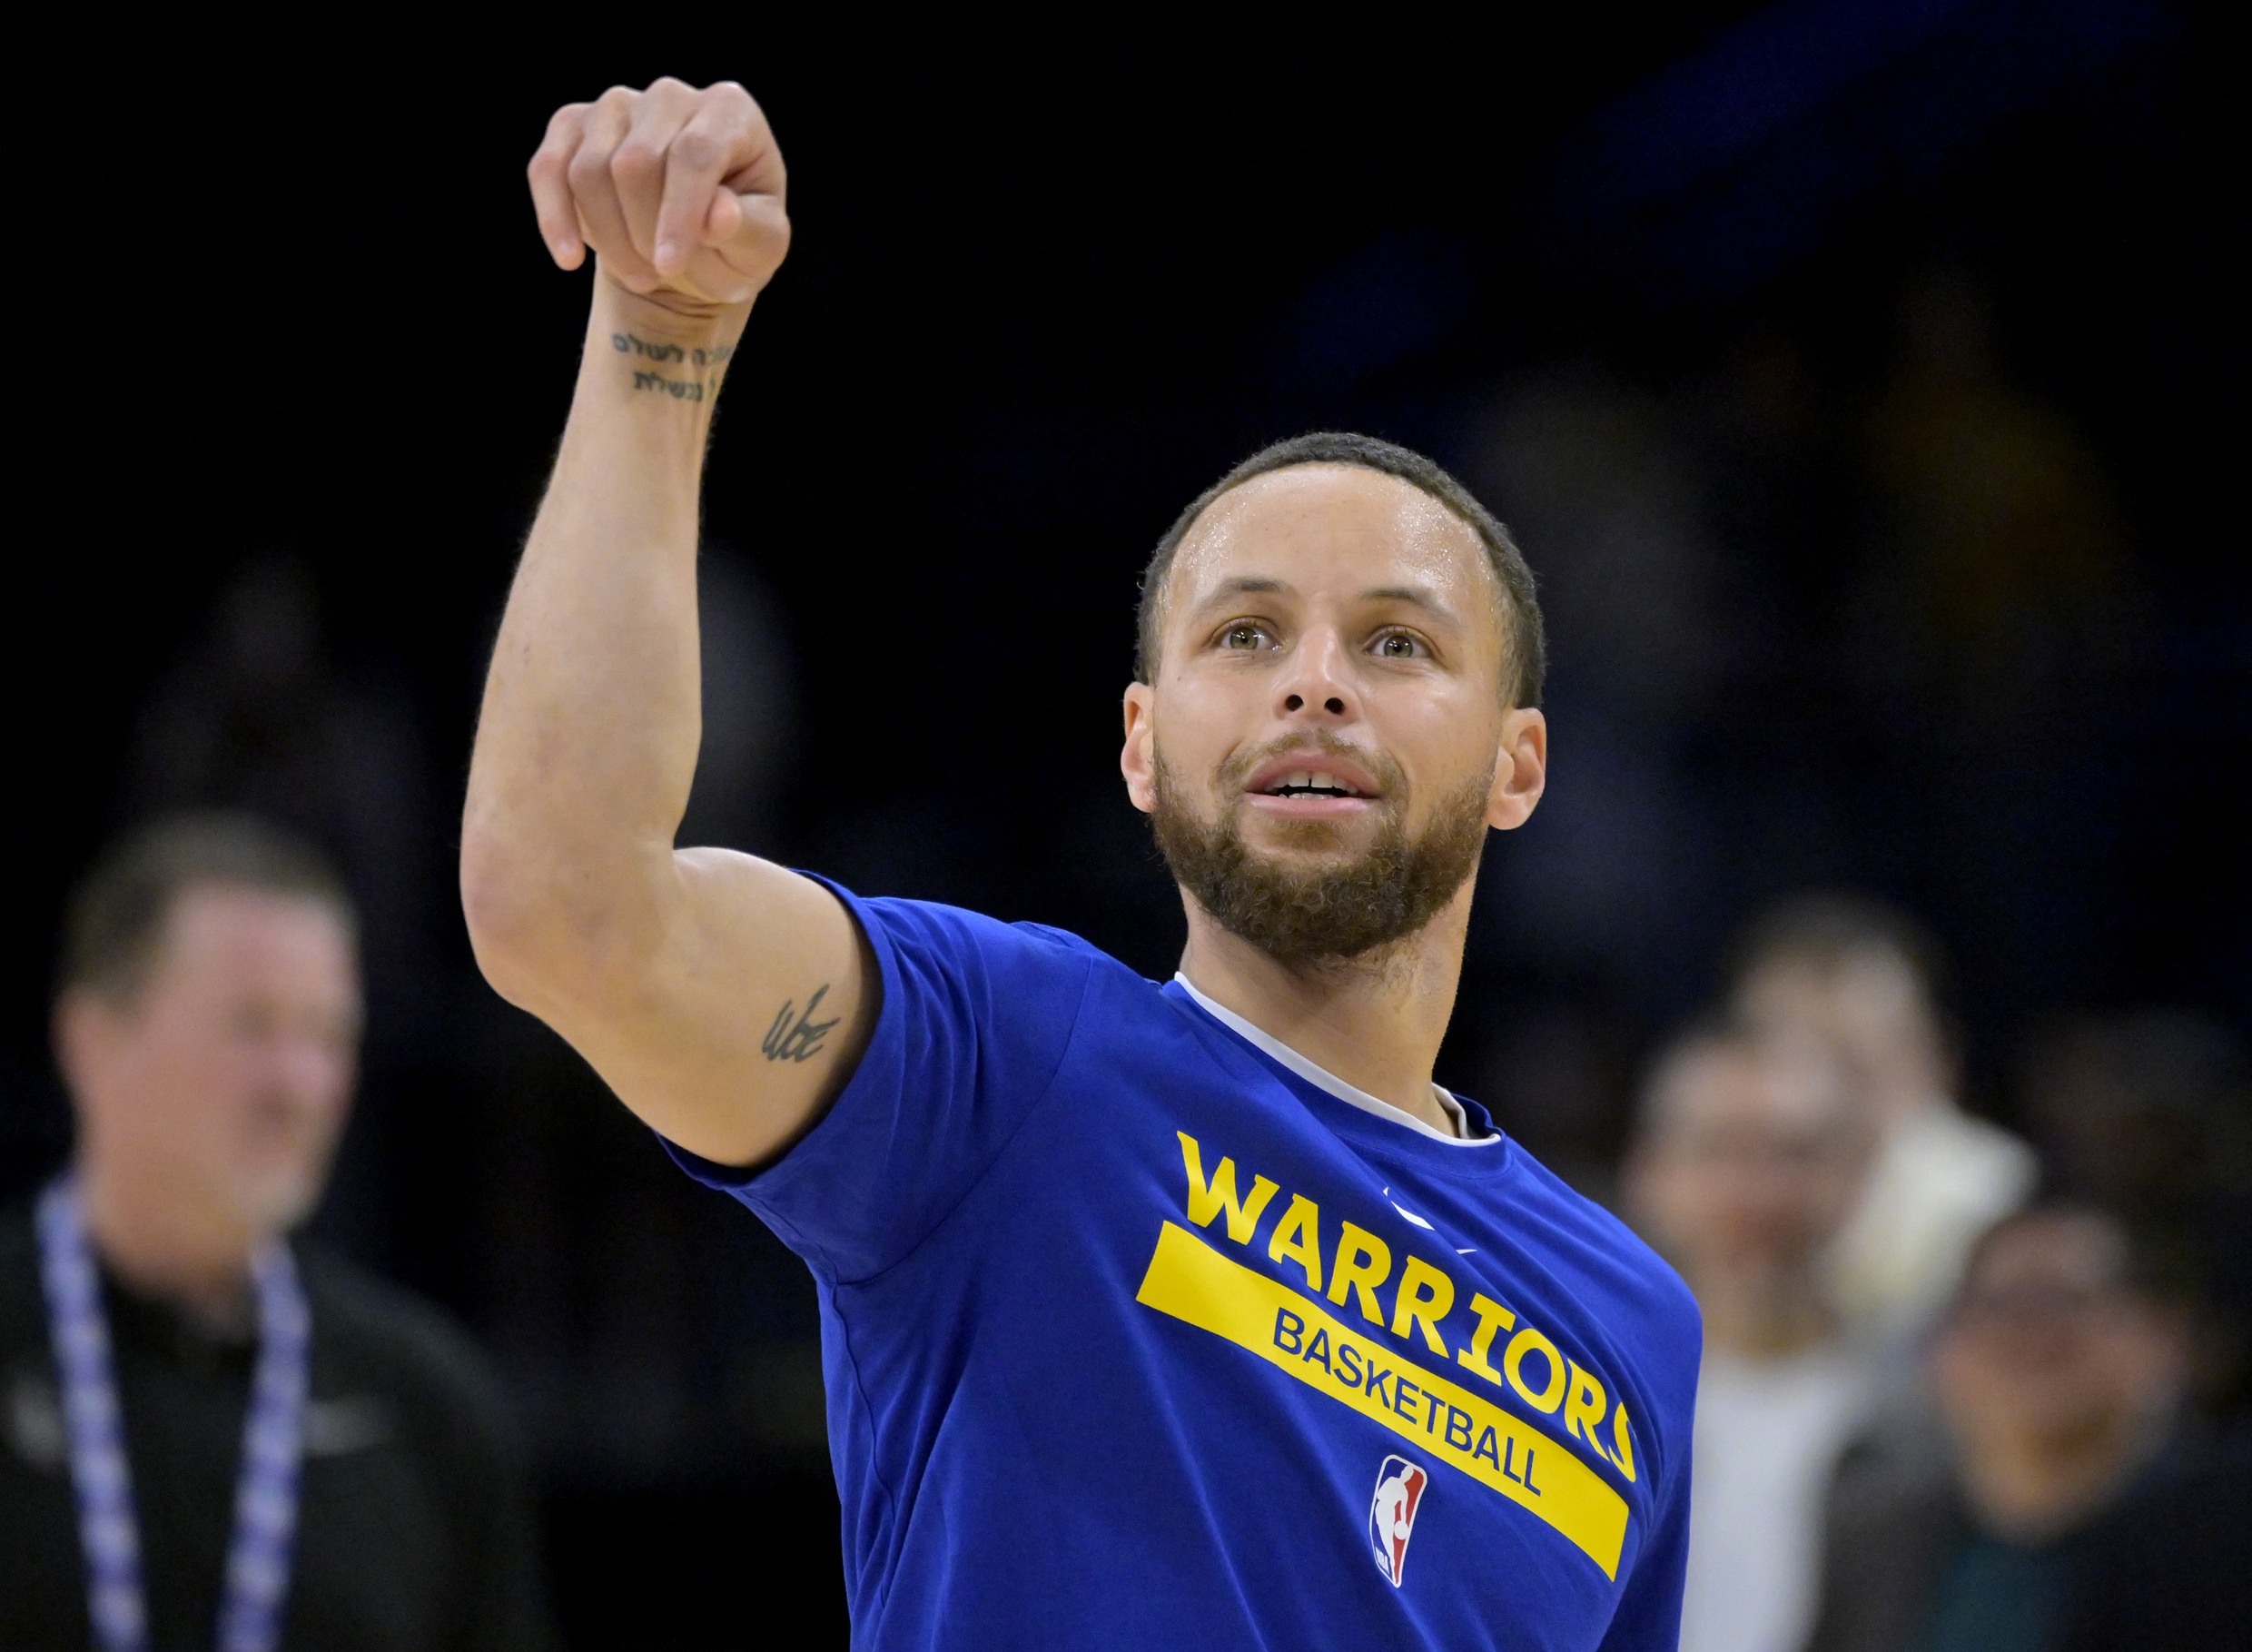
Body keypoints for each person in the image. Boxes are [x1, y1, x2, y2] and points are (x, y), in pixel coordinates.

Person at [461, 76, 1701, 1649]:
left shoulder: (1634, 1323)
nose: (1313, 679)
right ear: (1139, 742)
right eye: (1244, 633)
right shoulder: (1006, 1058)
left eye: (1395, 641)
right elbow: (569, 908)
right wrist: (662, 334)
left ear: (1520, 759)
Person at [0, 816, 552, 1652]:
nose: (298, 1084)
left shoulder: (425, 1400)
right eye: (252, 1025)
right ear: (92, 1041)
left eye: (328, 1034)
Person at [1804, 1202, 2251, 1652]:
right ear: (1940, 1353)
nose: (2032, 1334)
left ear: (2162, 1340)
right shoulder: (1876, 1540)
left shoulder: (2222, 1544)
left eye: (2069, 1301)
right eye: (1998, 1304)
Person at [1625, 1027, 1872, 1652]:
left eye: (1795, 1152)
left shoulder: (1928, 1408)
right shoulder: (1570, 1399)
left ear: (1857, 1175)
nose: (1760, 1194)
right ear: (1650, 1173)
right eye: (1721, 1150)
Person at [1730, 895, 2034, 1346]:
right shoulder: (1707, 1185)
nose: (1828, 1099)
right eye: (1797, 1061)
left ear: (1938, 1058)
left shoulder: (1996, 1192)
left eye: (1857, 1062)